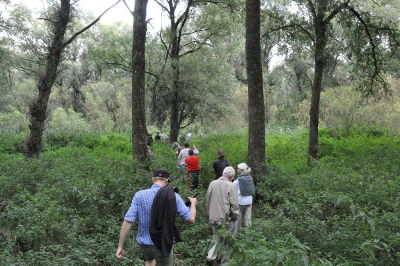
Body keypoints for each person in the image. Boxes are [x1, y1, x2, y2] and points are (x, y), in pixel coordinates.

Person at [116, 169, 197, 266]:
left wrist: (120, 246)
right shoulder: (173, 196)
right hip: (162, 244)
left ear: (152, 179)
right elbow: (191, 218)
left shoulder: (139, 195)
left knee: (150, 261)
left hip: (144, 244)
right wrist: (193, 204)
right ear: (167, 180)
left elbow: (128, 221)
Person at [206, 166, 239, 265]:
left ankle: (211, 256)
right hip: (226, 218)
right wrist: (234, 216)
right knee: (227, 240)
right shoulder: (231, 185)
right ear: (232, 176)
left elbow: (207, 200)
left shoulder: (212, 183)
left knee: (216, 237)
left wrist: (209, 213)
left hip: (213, 217)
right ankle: (224, 262)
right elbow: (234, 204)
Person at [233, 163, 255, 228]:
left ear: (242, 170)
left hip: (240, 201)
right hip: (249, 200)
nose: (237, 170)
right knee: (248, 218)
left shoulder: (238, 180)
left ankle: (238, 232)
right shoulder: (250, 177)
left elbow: (232, 187)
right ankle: (247, 233)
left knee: (239, 218)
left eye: (238, 169)